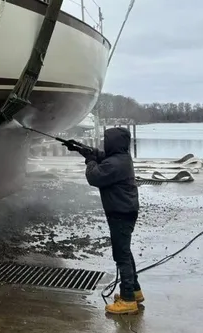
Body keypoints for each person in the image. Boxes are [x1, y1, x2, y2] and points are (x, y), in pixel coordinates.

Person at [64, 127, 142, 315]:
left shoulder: (115, 164)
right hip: (125, 211)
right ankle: (134, 291)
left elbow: (94, 176)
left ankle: (128, 300)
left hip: (120, 213)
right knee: (125, 251)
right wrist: (80, 148)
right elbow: (100, 155)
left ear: (113, 142)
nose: (104, 143)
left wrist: (90, 161)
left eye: (106, 140)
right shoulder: (122, 158)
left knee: (121, 255)